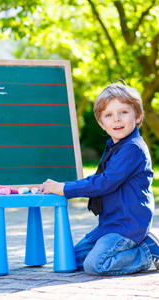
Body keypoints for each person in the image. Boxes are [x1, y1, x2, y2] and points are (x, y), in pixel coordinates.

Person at [41, 83, 159, 275]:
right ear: (101, 123)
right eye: (109, 115)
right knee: (70, 260)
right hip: (109, 224)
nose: (117, 119)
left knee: (96, 265)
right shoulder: (116, 146)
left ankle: (147, 251)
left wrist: (65, 189)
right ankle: (134, 247)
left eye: (123, 112)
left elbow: (105, 182)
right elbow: (99, 178)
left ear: (138, 116)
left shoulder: (133, 148)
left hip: (127, 224)